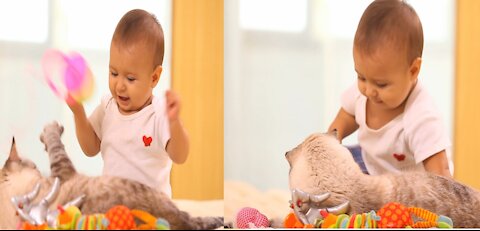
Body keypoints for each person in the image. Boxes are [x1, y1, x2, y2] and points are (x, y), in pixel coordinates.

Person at [66, 9, 189, 198]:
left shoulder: (158, 115)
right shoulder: (108, 107)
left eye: (130, 79)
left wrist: (174, 123)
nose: (120, 86)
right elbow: (90, 148)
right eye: (114, 73)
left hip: (151, 212)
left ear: (154, 77)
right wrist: (78, 113)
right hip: (113, 209)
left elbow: (180, 156)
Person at [328, 0, 452, 178]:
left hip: (408, 187)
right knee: (335, 167)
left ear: (413, 71)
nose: (369, 91)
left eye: (381, 84)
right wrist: (332, 141)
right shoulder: (362, 93)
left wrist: (444, 202)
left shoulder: (421, 117)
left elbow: (441, 172)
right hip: (370, 167)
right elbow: (347, 115)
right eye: (361, 77)